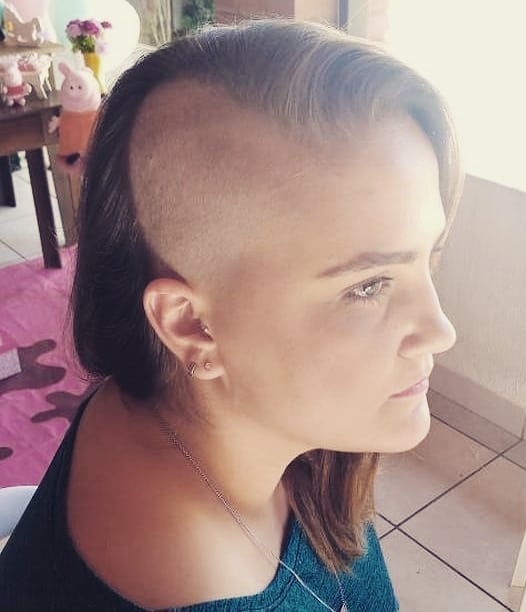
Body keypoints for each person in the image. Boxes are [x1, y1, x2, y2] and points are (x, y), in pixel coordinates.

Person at [0, 18, 461, 611]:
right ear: (191, 325)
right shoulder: (192, 583)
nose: (440, 331)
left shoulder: (173, 395)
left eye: (429, 256)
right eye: (368, 286)